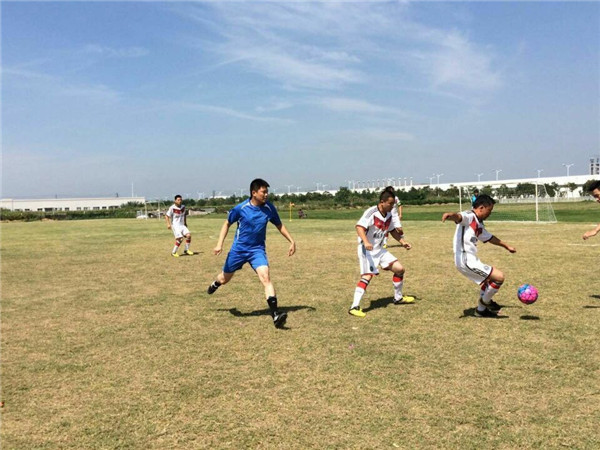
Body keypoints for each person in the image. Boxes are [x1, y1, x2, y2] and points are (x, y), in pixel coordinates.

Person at [207, 178, 296, 328]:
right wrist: (219, 244)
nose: (266, 195)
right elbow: (227, 223)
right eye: (263, 192)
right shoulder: (241, 208)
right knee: (224, 279)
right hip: (239, 250)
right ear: (254, 193)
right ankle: (216, 283)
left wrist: (291, 241)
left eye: (267, 192)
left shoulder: (269, 208)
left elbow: (279, 225)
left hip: (257, 250)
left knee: (266, 277)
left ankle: (275, 315)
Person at [442, 194, 516, 318]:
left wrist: (506, 246)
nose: (490, 214)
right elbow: (459, 217)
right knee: (499, 277)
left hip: (471, 259)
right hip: (465, 260)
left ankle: (481, 310)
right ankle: (485, 303)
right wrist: (451, 215)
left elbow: (490, 237)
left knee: (489, 281)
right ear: (481, 208)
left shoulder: (478, 223)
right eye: (489, 210)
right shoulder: (470, 216)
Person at [349, 189, 414, 318]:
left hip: (380, 250)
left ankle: (398, 298)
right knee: (367, 276)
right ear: (382, 202)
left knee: (399, 269)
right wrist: (366, 242)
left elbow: (392, 230)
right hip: (367, 251)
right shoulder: (371, 212)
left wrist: (402, 242)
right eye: (390, 204)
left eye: (393, 204)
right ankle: (354, 307)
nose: (392, 206)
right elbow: (359, 227)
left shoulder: (388, 214)